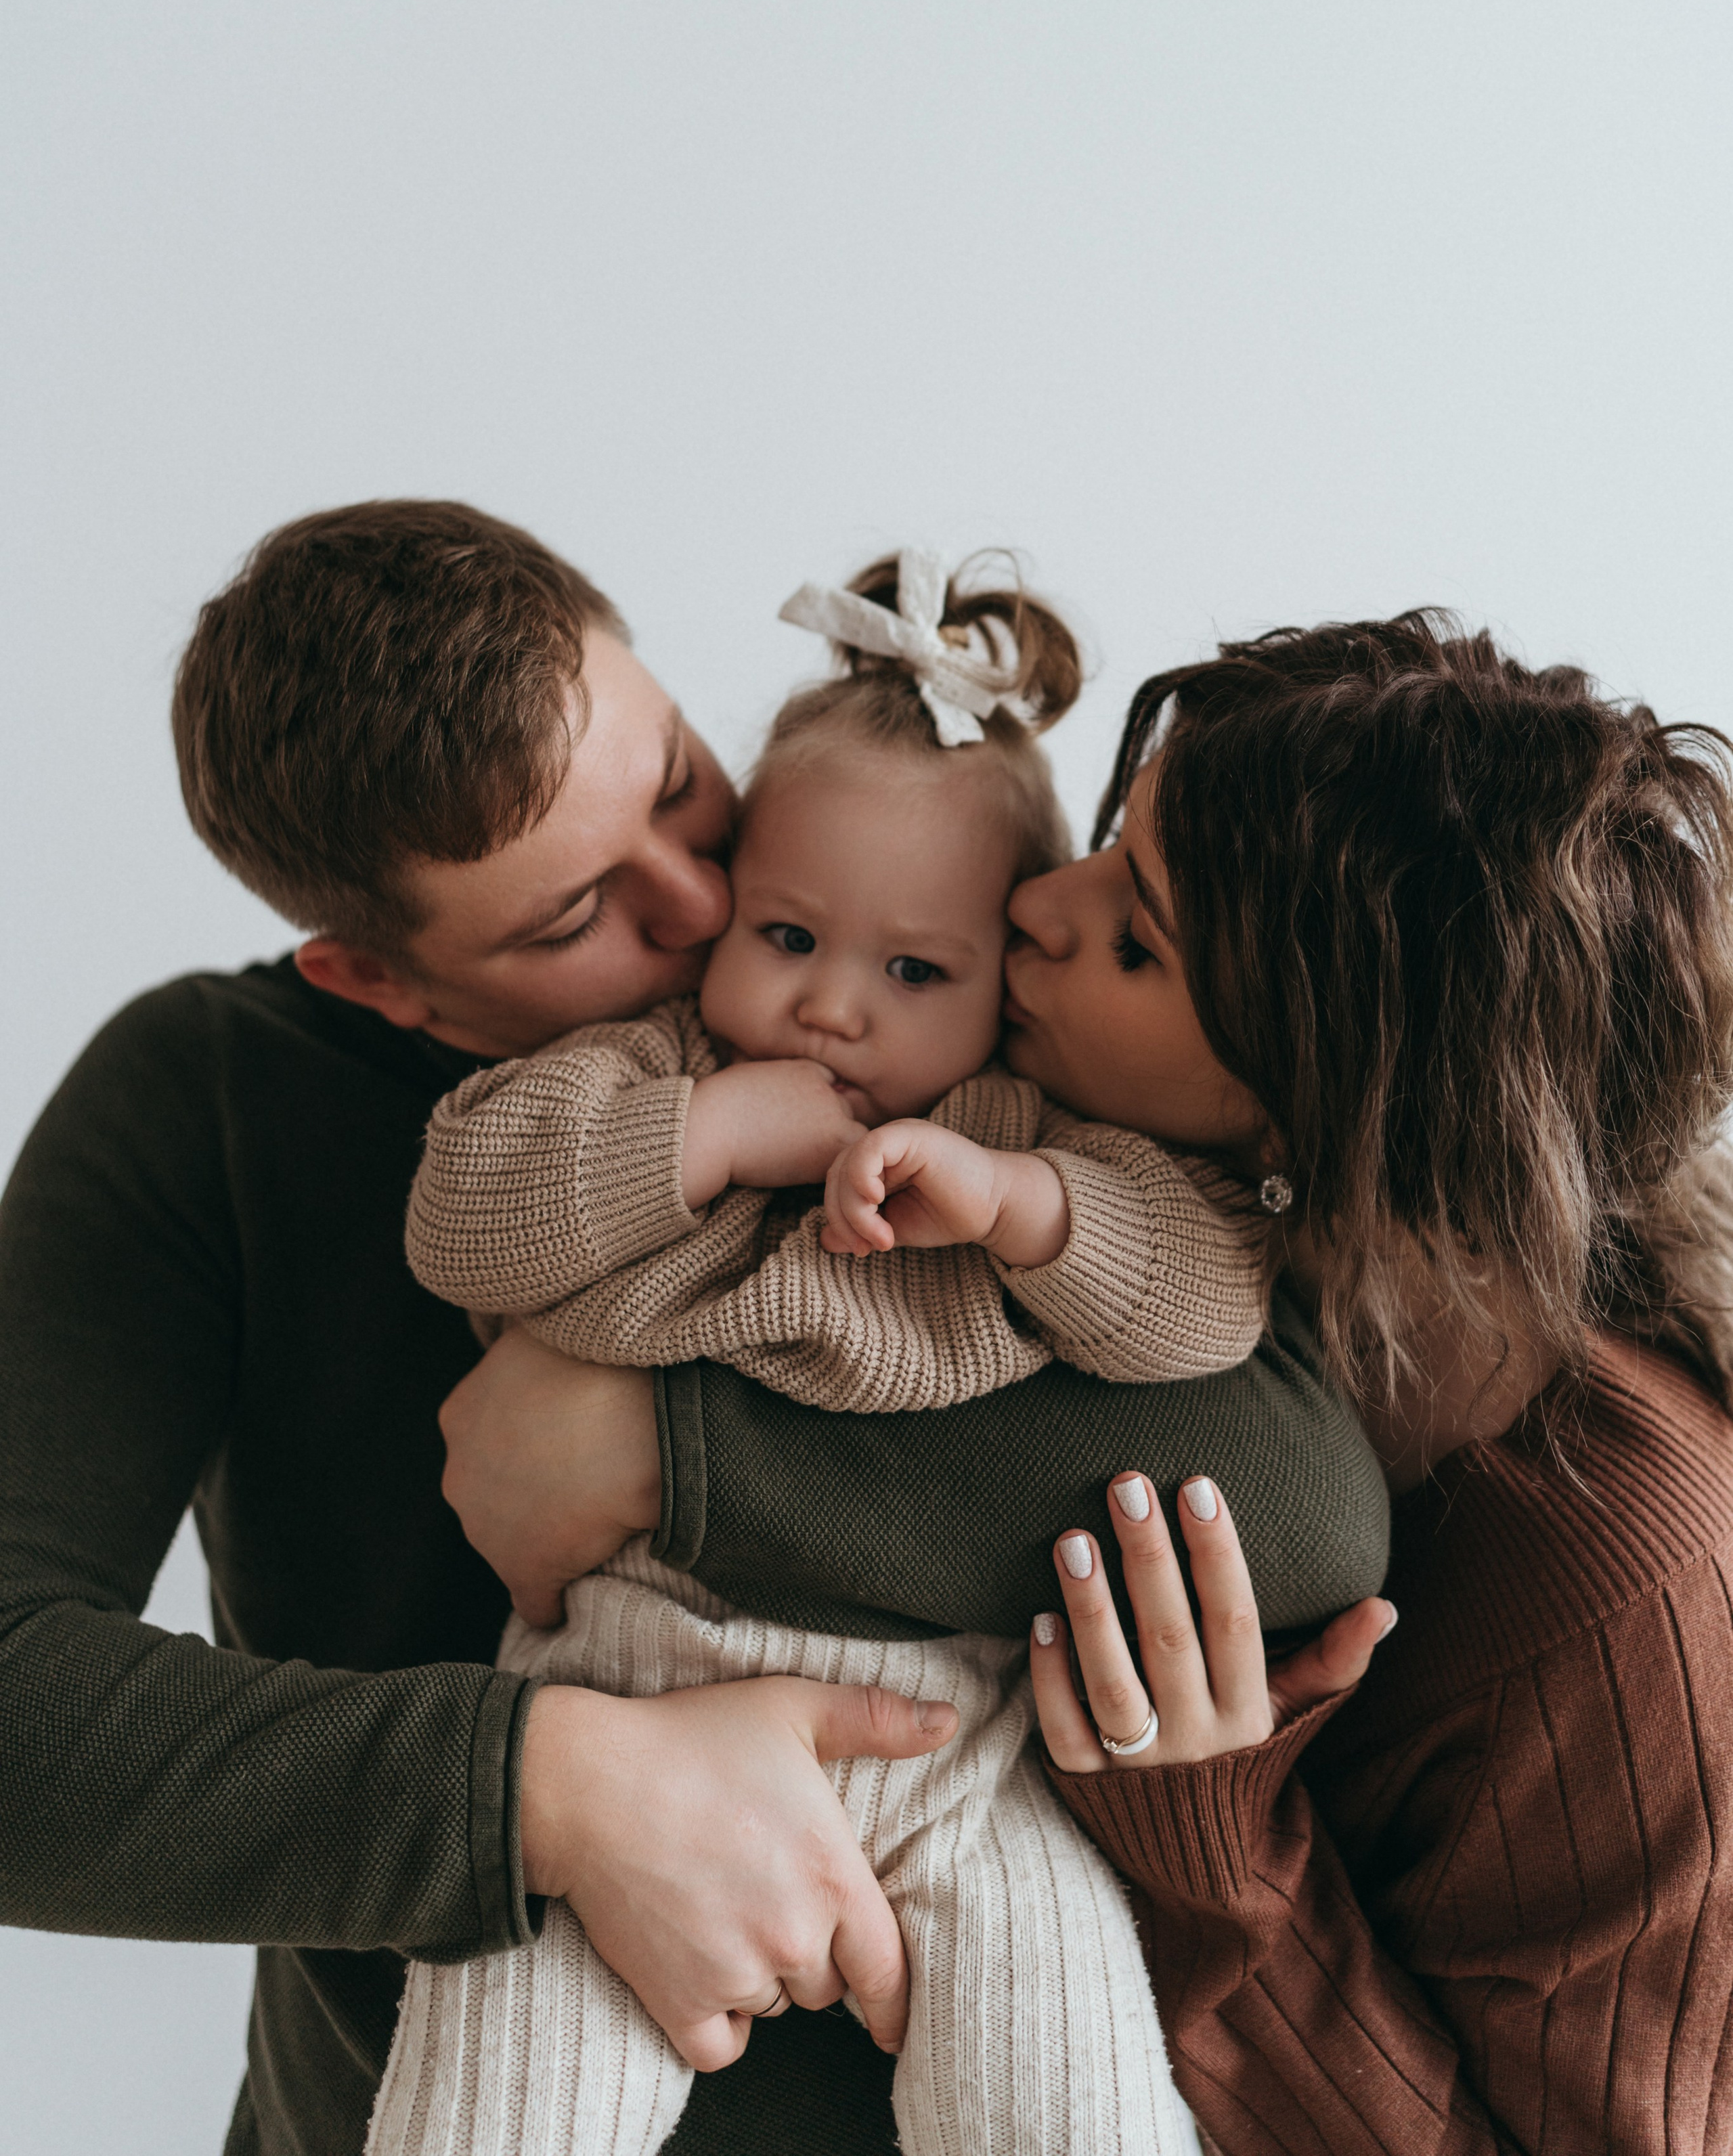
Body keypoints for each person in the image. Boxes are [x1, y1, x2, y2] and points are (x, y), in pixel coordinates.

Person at [0, 502, 1388, 2156]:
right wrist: (555, 1789)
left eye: (674, 782)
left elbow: (1294, 1487)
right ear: (377, 982)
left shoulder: (974, 1040)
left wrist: (667, 1455)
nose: (702, 899)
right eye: (573, 914)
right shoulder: (210, 1100)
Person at [370, 550, 1275, 2156]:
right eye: (786, 933)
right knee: (491, 2100)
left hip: (963, 1758)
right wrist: (707, 1129)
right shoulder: (654, 1067)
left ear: (1003, 980)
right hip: (622, 1709)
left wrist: (1017, 1207)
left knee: (1078, 2106)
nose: (833, 1008)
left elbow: (1210, 1306)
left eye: (913, 971)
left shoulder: (1021, 1128)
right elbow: (462, 1217)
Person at [989, 612, 1733, 2155]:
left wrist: (1205, 1843)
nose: (1030, 907)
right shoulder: (1123, 1204)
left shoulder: (1616, 1581)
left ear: (1310, 1117)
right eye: (1103, 845)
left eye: (1135, 938)